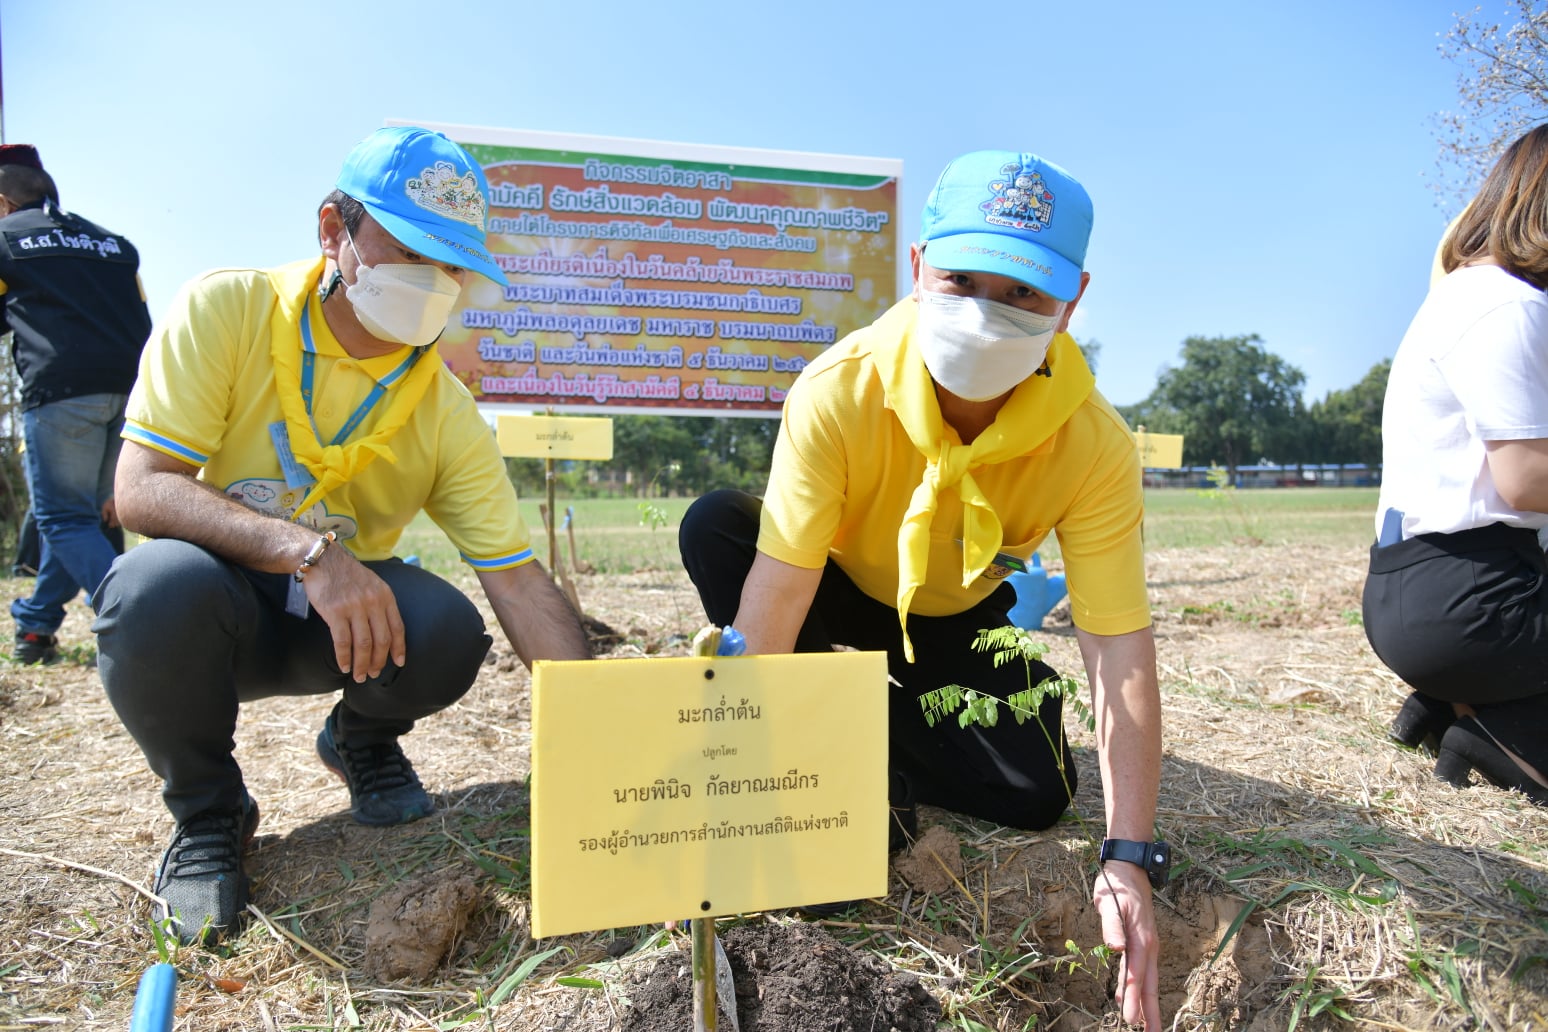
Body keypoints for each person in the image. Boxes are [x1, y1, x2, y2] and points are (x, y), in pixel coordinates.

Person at [679, 150, 1164, 1029]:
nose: (985, 313)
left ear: (1073, 300)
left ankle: (865, 728)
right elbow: (780, 592)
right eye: (961, 280)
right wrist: (739, 781)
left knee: (1037, 792)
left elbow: (1116, 642)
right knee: (717, 524)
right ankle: (825, 738)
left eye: (1023, 294)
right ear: (917, 266)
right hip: (833, 591)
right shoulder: (839, 389)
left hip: (957, 612)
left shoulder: (1094, 443)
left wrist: (1128, 854)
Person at [96, 126, 593, 945]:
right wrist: (308, 553)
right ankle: (210, 813)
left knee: (447, 629)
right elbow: (142, 487)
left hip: (340, 632)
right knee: (151, 592)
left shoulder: (445, 408)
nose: (432, 284)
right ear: (335, 230)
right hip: (218, 609)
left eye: (451, 267)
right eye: (411, 253)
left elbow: (517, 581)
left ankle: (361, 739)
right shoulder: (230, 310)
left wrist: (600, 733)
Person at [1364, 123, 1548, 810]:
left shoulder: (1467, 294)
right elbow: (1526, 480)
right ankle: (1501, 735)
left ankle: (1453, 703)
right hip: (1472, 600)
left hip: (1428, 591)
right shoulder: (1509, 305)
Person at [0, 143, 151, 664]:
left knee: (64, 520)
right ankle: (36, 626)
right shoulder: (114, 244)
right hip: (133, 390)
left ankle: (148, 618)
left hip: (62, 390)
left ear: (2, 203)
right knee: (79, 520)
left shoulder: (6, 240)